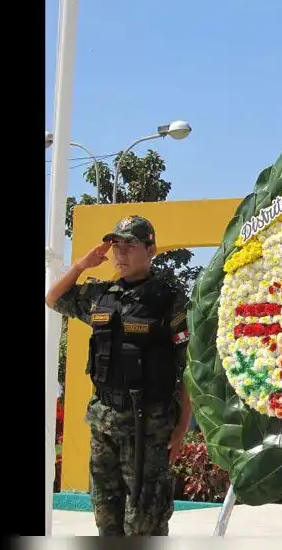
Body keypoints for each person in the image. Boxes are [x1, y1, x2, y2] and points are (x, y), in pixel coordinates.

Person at [45, 215, 193, 536]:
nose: (120, 253)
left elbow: (190, 367)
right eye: (116, 245)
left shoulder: (169, 300)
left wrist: (181, 429)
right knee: (106, 515)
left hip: (148, 427)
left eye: (130, 245)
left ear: (151, 249)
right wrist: (81, 265)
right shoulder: (101, 295)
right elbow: (53, 299)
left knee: (144, 520)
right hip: (103, 423)